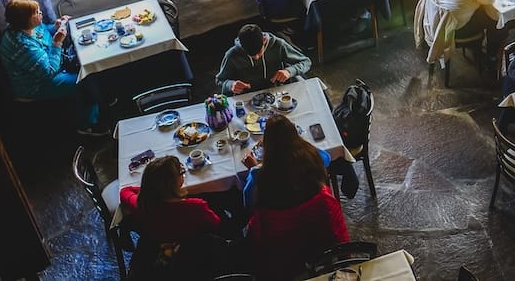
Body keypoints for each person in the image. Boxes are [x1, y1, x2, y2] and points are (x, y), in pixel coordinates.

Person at [242, 115, 349, 280]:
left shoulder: (260, 174)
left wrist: (254, 167)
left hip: (281, 242)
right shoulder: (312, 156)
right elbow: (326, 158)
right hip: (316, 233)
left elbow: (249, 204)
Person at [0, 0, 107, 136]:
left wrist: (55, 26)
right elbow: (48, 71)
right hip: (36, 84)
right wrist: (57, 43)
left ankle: (98, 100)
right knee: (83, 80)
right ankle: (88, 125)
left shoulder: (27, 27)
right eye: (36, 13)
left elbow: (43, 32)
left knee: (89, 63)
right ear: (26, 19)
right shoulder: (22, 45)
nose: (40, 13)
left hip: (52, 67)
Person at [119, 156, 224, 276]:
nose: (183, 175)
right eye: (181, 173)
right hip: (191, 251)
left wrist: (152, 189)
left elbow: (125, 191)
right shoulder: (196, 206)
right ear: (172, 183)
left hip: (158, 241)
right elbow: (216, 223)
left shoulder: (140, 205)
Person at [215, 24, 312, 96]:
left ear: (264, 41)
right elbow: (220, 80)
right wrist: (231, 85)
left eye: (259, 52)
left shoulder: (278, 45)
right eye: (251, 55)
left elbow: (306, 62)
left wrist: (289, 71)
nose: (256, 57)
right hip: (248, 96)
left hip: (277, 91)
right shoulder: (232, 55)